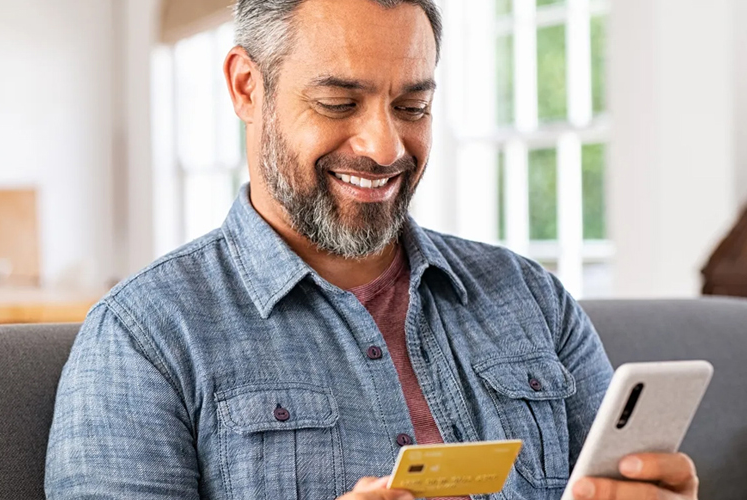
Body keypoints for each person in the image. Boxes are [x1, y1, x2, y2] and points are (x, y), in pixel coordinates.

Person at [43, 0, 701, 499]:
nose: (385, 149)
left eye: (412, 107)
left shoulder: (532, 298)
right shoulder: (143, 335)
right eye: (338, 102)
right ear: (248, 86)